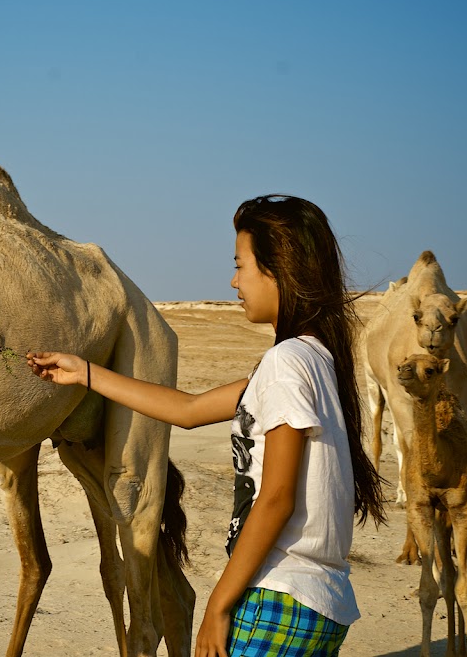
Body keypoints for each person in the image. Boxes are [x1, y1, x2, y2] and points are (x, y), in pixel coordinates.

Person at [27, 195, 386, 657]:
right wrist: (84, 372)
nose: (234, 281)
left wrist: (217, 606)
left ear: (280, 269)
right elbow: (189, 409)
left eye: (241, 265)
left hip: (278, 596)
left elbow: (276, 499)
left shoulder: (286, 363)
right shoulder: (315, 358)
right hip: (321, 603)